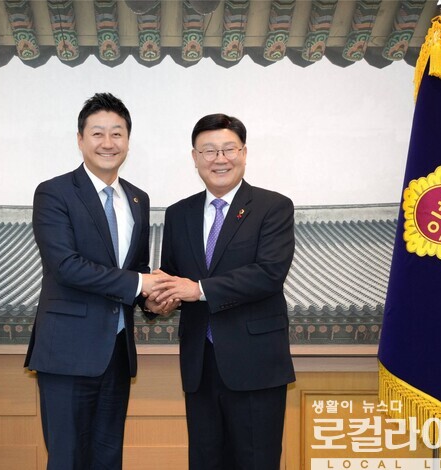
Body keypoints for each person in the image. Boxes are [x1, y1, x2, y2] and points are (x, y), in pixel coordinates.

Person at [25, 92, 168, 469]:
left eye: (117, 133)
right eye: (98, 133)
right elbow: (66, 265)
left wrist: (153, 300)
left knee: (108, 459)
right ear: (80, 139)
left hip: (117, 354)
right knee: (67, 458)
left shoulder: (137, 199)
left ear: (128, 141)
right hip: (67, 352)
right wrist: (140, 284)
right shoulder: (54, 192)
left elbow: (135, 267)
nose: (108, 143)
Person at [147, 113, 296, 469]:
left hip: (255, 363)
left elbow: (269, 274)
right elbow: (174, 278)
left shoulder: (273, 207)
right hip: (200, 364)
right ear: (195, 157)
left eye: (229, 149)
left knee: (256, 461)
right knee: (205, 461)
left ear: (243, 153)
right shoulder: (178, 214)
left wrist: (197, 289)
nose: (220, 159)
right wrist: (157, 301)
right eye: (209, 151)